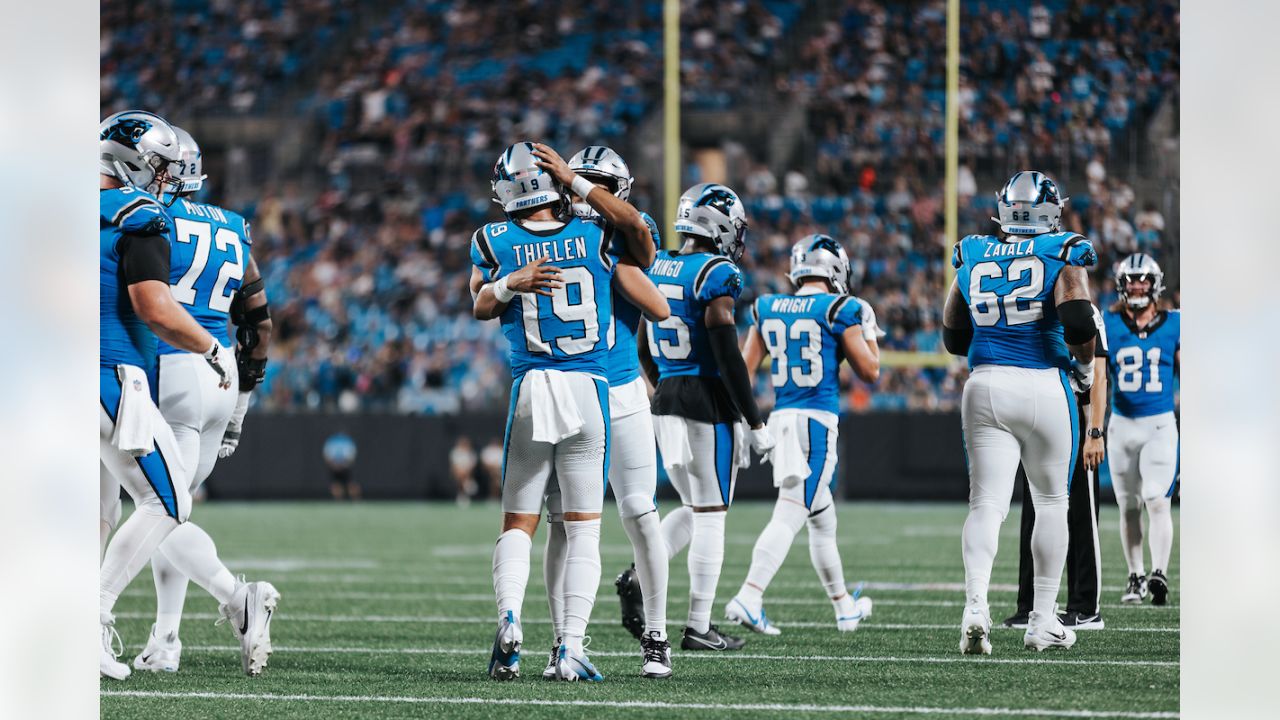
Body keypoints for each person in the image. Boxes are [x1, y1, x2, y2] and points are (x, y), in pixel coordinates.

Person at [469, 141, 654, 682]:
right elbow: (641, 237)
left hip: (532, 387)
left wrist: (509, 282)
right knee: (584, 530)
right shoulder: (597, 235)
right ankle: (570, 647)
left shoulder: (492, 239)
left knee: (519, 523)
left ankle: (509, 620)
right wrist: (576, 181)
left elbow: (480, 303)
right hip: (589, 388)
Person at [127, 126, 280, 676]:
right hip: (222, 378)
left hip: (173, 366)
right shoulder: (235, 227)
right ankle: (165, 639)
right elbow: (260, 324)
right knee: (171, 510)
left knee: (159, 507)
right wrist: (241, 400)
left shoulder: (150, 218)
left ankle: (237, 595)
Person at [98, 110, 233, 679]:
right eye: (155, 165)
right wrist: (209, 348)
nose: (161, 179)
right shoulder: (138, 216)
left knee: (99, 511)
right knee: (170, 500)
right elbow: (155, 307)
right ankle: (90, 613)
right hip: (108, 374)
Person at [942, 170, 1099, 654]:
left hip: (985, 383)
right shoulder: (1063, 249)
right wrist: (1087, 371)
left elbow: (953, 336)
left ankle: (975, 606)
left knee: (986, 505)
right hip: (1042, 384)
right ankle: (1042, 619)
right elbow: (1076, 318)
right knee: (1052, 502)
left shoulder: (971, 251)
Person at [540, 146, 675, 679]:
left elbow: (640, 241)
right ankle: (562, 640)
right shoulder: (549, 231)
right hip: (565, 390)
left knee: (640, 512)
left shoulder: (623, 235)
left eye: (596, 184)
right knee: (561, 524)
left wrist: (575, 181)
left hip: (618, 389)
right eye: (578, 181)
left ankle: (657, 634)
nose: (585, 192)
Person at [636, 183, 776, 652]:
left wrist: (666, 389)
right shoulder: (716, 272)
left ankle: (638, 574)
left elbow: (642, 345)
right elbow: (728, 356)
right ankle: (698, 626)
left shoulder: (656, 264)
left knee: (696, 509)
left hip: (668, 396)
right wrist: (754, 421)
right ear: (718, 225)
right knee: (713, 514)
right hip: (705, 400)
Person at [725, 234, 881, 635]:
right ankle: (750, 594)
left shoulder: (768, 306)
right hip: (815, 422)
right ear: (835, 271)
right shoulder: (840, 308)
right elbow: (870, 372)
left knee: (822, 519)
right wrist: (868, 331)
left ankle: (844, 606)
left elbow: (744, 371)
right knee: (791, 511)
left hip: (782, 419)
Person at [1005, 304, 1110, 630]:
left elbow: (1099, 375)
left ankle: (1085, 605)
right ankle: (1031, 606)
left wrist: (1095, 431)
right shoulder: (1029, 304)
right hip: (1040, 415)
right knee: (1033, 514)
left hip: (1075, 413)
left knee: (1082, 513)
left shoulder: (1085, 312)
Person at [1103, 253, 1180, 606]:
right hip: (1121, 425)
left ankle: (1159, 572)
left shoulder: (1177, 324)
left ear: (1155, 284)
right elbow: (1097, 375)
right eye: (1131, 280)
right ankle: (1135, 576)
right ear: (1122, 285)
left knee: (1156, 499)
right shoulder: (1108, 323)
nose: (1136, 286)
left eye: (1143, 280)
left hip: (1159, 424)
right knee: (1129, 506)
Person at [324, 432, 359, 500]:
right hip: (335, 467)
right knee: (336, 484)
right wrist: (333, 464)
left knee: (350, 484)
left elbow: (351, 454)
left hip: (344, 466)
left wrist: (345, 464)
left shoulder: (346, 441)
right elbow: (327, 454)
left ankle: (356, 500)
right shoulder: (333, 441)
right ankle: (338, 500)